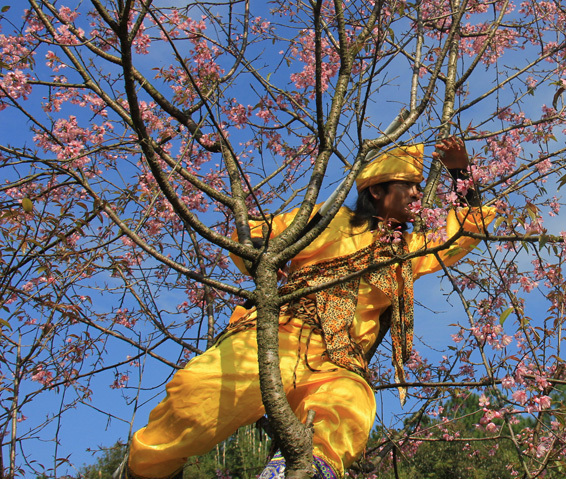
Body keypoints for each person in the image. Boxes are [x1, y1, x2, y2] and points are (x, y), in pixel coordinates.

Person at [119, 140, 494, 479]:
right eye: (408, 186)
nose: (417, 194)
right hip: (276, 338)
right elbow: (251, 234)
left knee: (349, 410)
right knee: (195, 397)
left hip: (339, 360)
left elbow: (464, 233)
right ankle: (144, 471)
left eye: (418, 187)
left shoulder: (410, 249)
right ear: (377, 191)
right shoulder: (327, 220)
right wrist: (267, 256)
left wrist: (460, 171)